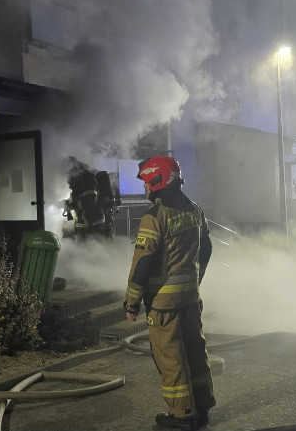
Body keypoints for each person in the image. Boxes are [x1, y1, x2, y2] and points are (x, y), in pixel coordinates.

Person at [123, 156, 214, 431]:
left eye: (146, 183)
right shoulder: (194, 209)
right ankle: (202, 408)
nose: (145, 189)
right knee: (195, 352)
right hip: (190, 297)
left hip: (163, 303)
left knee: (171, 358)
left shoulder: (154, 217)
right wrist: (197, 279)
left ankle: (182, 416)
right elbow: (206, 248)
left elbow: (143, 263)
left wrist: (132, 301)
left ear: (156, 180)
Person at [60, 156, 107, 241]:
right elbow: (78, 200)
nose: (68, 177)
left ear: (73, 168)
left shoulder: (88, 179)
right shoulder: (77, 184)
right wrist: (66, 203)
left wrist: (68, 205)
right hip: (83, 223)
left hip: (94, 223)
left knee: (94, 250)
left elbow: (89, 202)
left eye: (68, 173)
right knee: (84, 251)